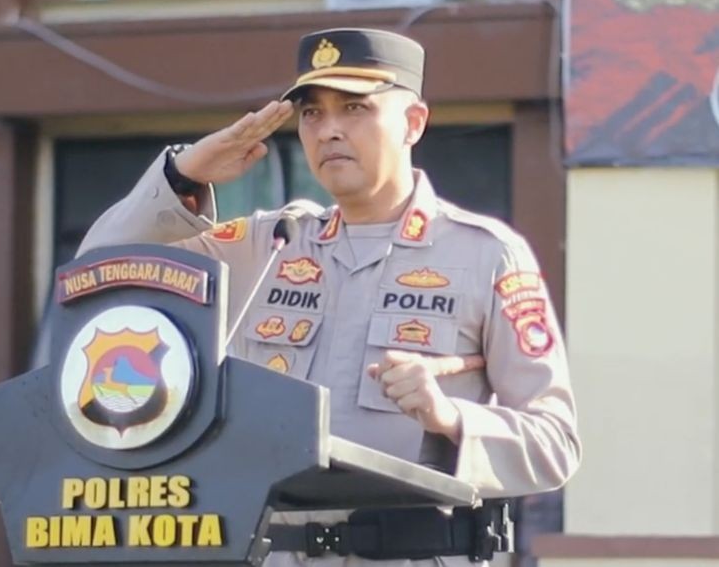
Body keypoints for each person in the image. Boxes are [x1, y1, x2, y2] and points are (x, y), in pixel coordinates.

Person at [77, 28, 580, 565]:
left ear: (413, 123)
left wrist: (450, 418)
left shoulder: (485, 254)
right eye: (312, 113)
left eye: (355, 108)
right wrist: (185, 172)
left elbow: (554, 444)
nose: (329, 130)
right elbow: (100, 270)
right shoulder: (272, 242)